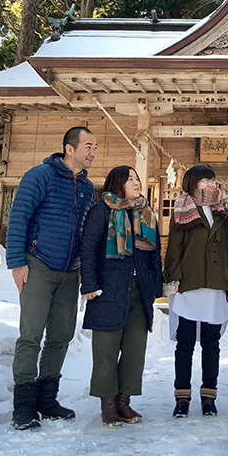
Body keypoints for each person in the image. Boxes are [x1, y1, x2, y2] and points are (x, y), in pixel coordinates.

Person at [6, 126, 97, 430]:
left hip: (70, 269)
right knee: (31, 334)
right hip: (39, 264)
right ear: (70, 149)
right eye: (88, 146)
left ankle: (47, 399)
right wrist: (17, 263)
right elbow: (18, 217)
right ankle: (23, 406)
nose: (93, 152)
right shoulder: (39, 176)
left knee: (60, 336)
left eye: (95, 147)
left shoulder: (86, 187)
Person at [80, 165, 163, 427]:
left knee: (134, 350)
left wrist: (156, 286)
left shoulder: (147, 213)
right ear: (117, 183)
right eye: (130, 179)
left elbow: (154, 255)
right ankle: (108, 405)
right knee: (105, 350)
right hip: (108, 290)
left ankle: (124, 402)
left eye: (137, 178)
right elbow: (89, 249)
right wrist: (89, 284)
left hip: (139, 292)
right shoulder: (101, 211)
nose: (136, 182)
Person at [164, 166, 228, 418]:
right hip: (189, 284)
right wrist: (172, 277)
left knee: (211, 343)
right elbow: (174, 248)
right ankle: (182, 396)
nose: (211, 184)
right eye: (206, 180)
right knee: (185, 344)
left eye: (213, 180)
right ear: (193, 183)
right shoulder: (182, 208)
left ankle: (209, 396)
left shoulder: (223, 213)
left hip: (215, 284)